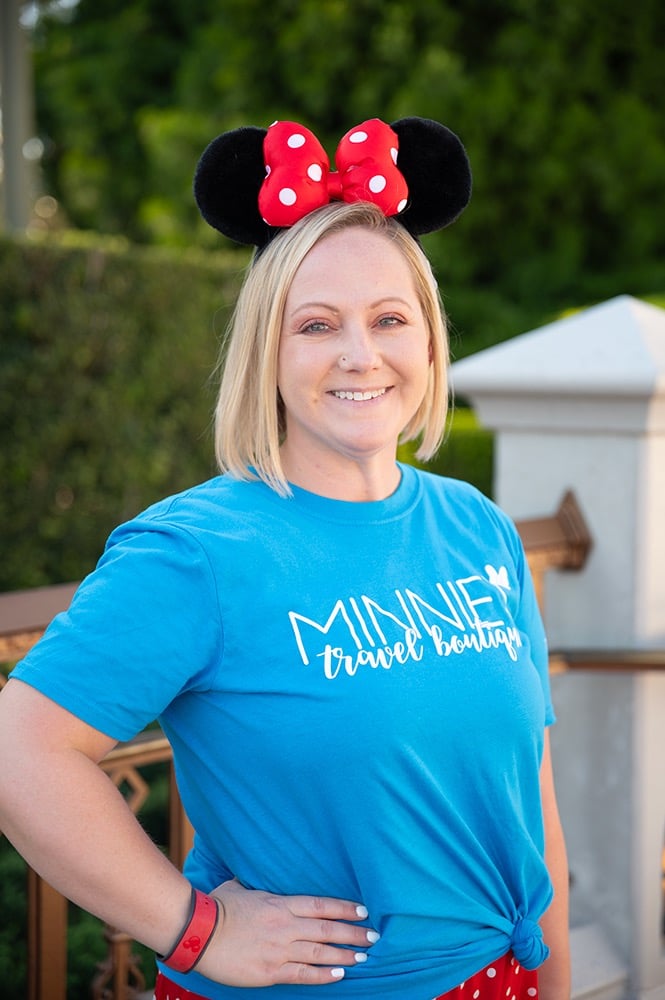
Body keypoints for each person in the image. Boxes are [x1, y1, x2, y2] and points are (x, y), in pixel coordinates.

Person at [0, 116, 570, 1000]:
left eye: (389, 318)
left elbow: (530, 795)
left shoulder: (478, 529)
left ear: (427, 339)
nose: (359, 354)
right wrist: (197, 930)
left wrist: (552, 977)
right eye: (316, 325)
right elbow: (20, 752)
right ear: (267, 352)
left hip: (499, 981)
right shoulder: (197, 552)